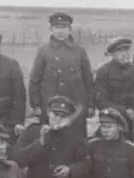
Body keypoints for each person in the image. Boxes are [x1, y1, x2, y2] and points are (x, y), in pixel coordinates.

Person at [27, 12, 95, 141]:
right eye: (57, 27)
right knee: (50, 140)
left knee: (76, 141)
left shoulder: (79, 51)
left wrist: (90, 105)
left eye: (64, 27)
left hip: (75, 108)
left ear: (70, 29)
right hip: (50, 107)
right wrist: (35, 104)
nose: (60, 31)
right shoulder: (44, 51)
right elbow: (35, 79)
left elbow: (88, 80)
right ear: (51, 29)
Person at [94, 37, 134, 139]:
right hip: (113, 114)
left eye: (126, 50)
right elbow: (101, 101)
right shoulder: (104, 71)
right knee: (114, 134)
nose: (124, 54)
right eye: (119, 51)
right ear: (112, 54)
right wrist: (123, 111)